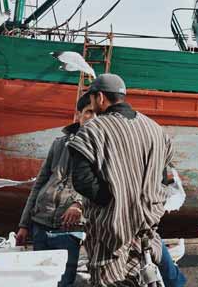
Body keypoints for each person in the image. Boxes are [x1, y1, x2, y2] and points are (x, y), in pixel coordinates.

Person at [67, 74, 185, 287]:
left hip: (110, 231)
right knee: (141, 277)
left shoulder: (94, 130)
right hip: (146, 225)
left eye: (92, 99)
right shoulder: (155, 129)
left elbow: (82, 180)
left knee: (109, 280)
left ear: (100, 97)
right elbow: (162, 175)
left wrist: (112, 201)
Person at [15, 93, 95, 287]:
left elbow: (100, 186)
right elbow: (40, 183)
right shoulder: (60, 144)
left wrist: (78, 203)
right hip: (40, 223)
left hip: (69, 230)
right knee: (37, 280)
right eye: (88, 112)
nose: (92, 118)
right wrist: (24, 225)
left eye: (96, 113)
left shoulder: (102, 148)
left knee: (63, 281)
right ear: (78, 115)